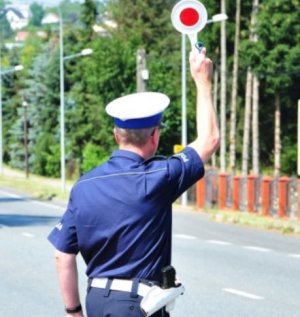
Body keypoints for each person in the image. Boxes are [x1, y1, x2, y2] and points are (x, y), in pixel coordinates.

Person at [48, 47, 220, 317]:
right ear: (155, 136)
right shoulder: (159, 177)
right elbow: (209, 140)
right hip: (136, 305)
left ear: (117, 136)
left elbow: (63, 255)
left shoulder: (83, 186)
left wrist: (73, 311)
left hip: (97, 301)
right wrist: (202, 80)